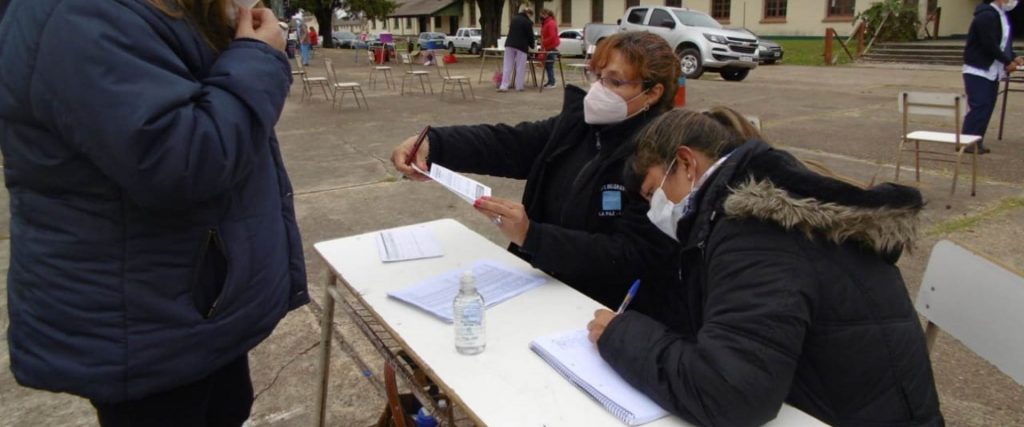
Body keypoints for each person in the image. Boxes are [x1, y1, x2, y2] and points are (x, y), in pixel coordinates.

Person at [0, 1, 308, 426]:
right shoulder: (79, 15)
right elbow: (182, 161)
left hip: (190, 308)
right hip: (143, 323)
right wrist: (259, 58)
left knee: (227, 405)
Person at [586, 107, 944, 426]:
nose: (654, 212)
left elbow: (730, 396)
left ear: (685, 163)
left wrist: (622, 336)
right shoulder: (760, 206)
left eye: (653, 193)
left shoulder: (754, 232)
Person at [391, 32, 681, 311]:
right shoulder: (577, 126)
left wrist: (532, 236)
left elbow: (630, 255)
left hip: (596, 308)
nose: (599, 90)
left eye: (614, 82)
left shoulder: (660, 161)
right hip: (536, 282)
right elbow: (509, 144)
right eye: (597, 77)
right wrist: (434, 145)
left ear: (652, 93)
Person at [962, 0, 1024, 154]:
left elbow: (1002, 42)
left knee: (987, 107)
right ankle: (967, 141)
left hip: (992, 70)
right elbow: (989, 43)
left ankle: (977, 140)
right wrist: (1007, 61)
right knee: (980, 106)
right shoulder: (986, 15)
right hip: (978, 69)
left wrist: (1013, 56)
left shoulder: (1000, 15)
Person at [499, 6, 535, 92]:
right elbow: (530, 36)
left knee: (507, 65)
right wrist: (532, 45)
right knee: (520, 66)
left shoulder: (514, 19)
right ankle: (519, 86)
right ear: (528, 14)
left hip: (509, 44)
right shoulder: (528, 22)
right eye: (531, 16)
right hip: (521, 46)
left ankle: (504, 86)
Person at [539, 8, 560, 89]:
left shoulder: (550, 23)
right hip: (548, 46)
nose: (540, 16)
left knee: (549, 65)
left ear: (545, 14)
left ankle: (552, 82)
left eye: (541, 15)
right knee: (547, 65)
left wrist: (544, 42)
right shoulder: (547, 23)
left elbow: (552, 36)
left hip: (551, 47)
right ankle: (550, 81)